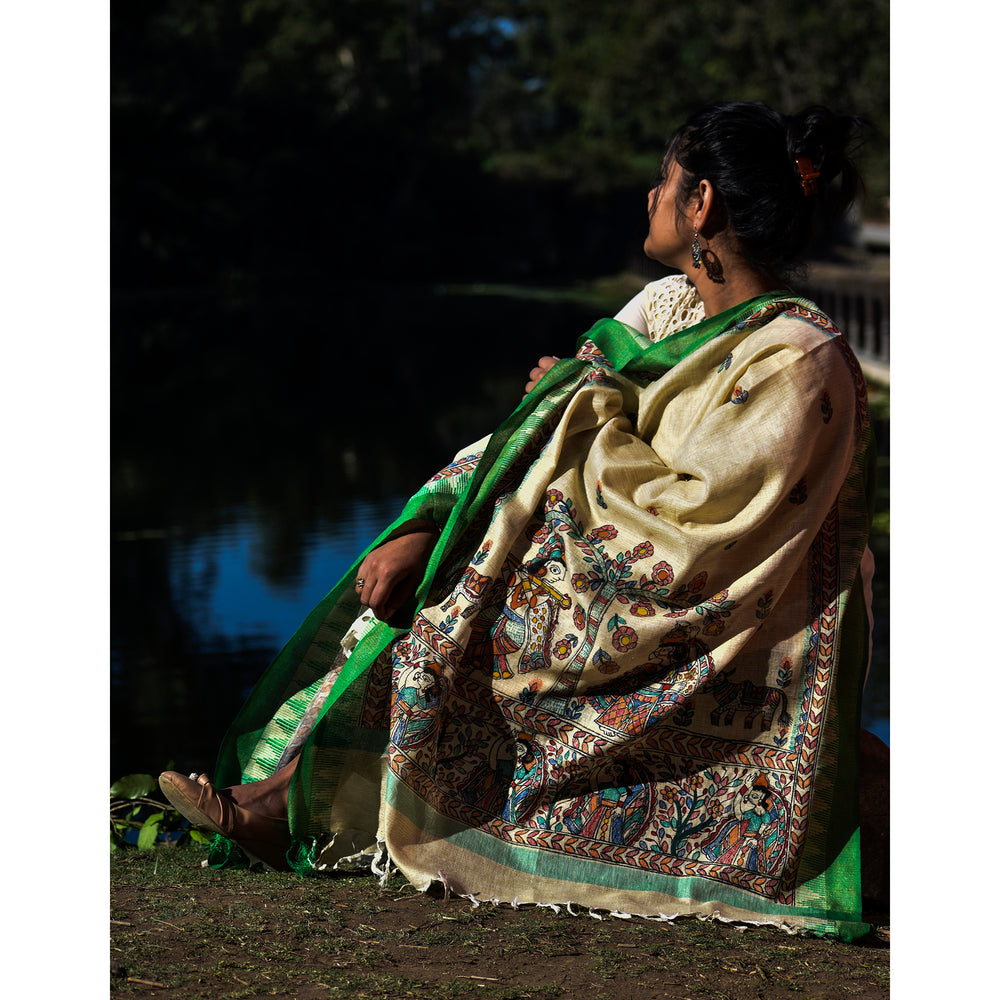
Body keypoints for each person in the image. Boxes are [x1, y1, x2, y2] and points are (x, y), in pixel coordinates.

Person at [160, 101, 881, 939]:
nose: (647, 195)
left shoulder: (797, 359)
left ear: (702, 205)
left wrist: (590, 409)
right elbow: (528, 438)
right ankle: (294, 795)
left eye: (664, 181)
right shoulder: (663, 310)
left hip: (710, 629)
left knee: (484, 596)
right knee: (455, 574)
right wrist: (427, 523)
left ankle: (295, 806)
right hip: (603, 584)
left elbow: (699, 535)